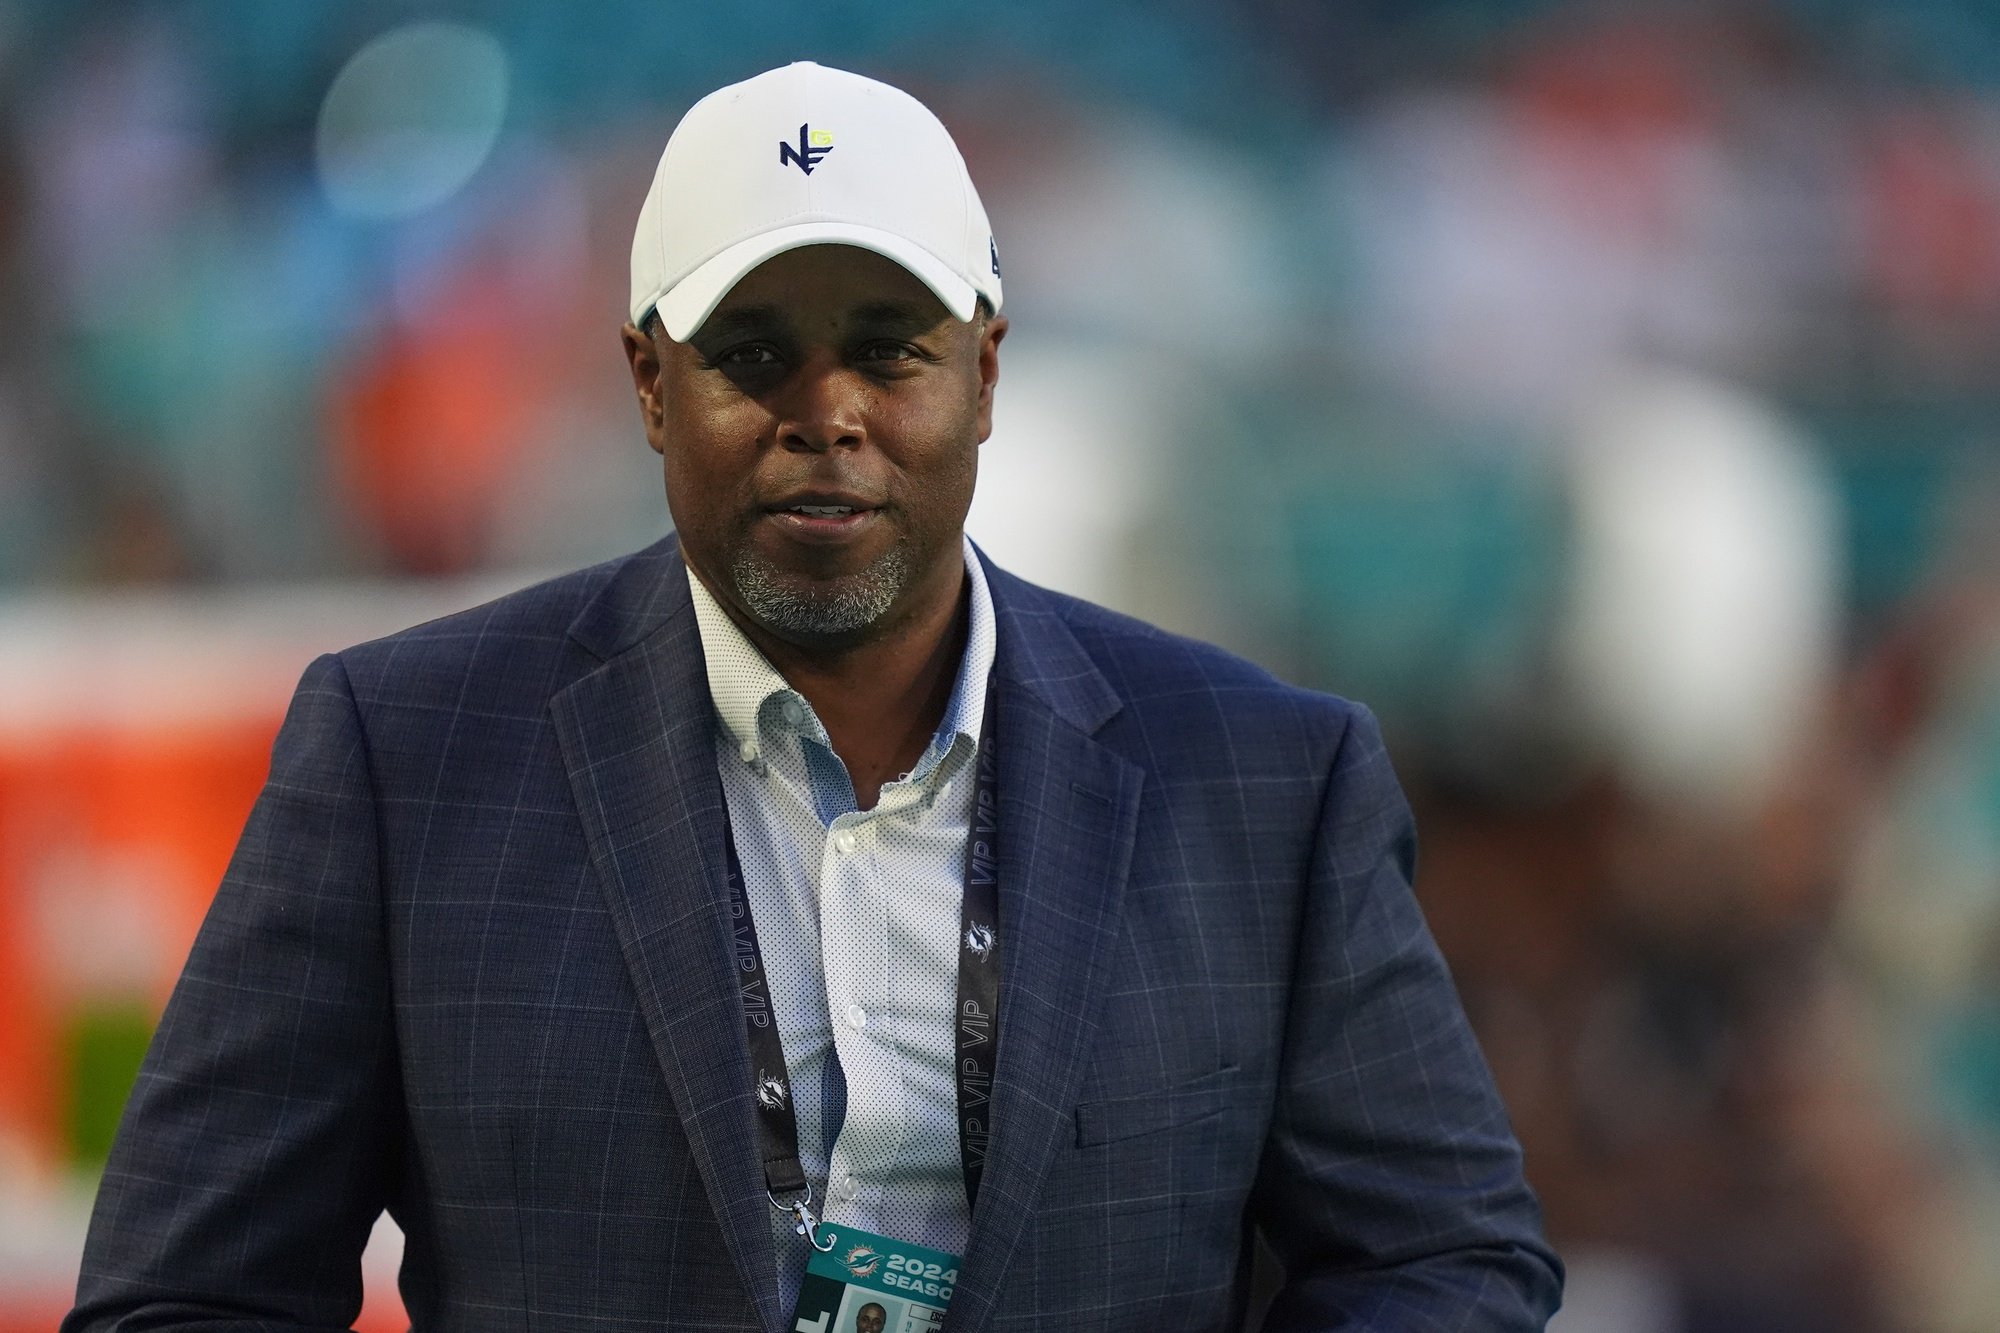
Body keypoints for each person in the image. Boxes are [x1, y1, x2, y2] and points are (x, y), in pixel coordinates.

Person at [66, 62, 1562, 1331]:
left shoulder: (1264, 781)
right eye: (755, 354)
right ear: (650, 383)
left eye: (888, 350)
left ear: (985, 372)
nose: (825, 412)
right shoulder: (405, 757)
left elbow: (1447, 1253)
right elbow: (180, 1289)